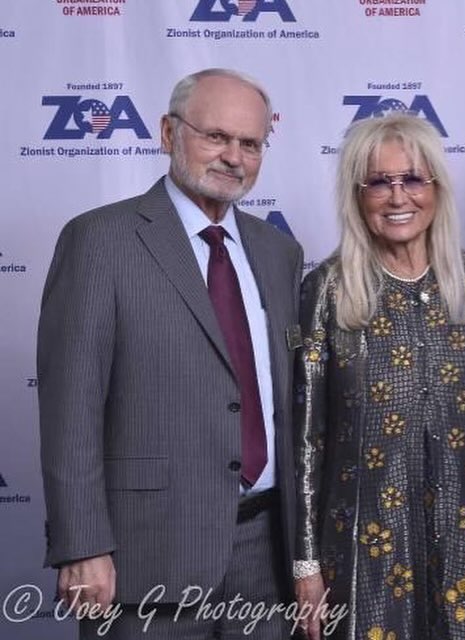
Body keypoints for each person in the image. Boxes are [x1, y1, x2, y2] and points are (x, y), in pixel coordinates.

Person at [37, 68, 303, 638]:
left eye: (250, 144)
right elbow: (70, 410)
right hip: (144, 553)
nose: (233, 156)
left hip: (267, 556)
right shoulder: (99, 241)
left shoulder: (279, 252)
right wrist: (82, 544)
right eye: (216, 136)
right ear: (167, 133)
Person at [292, 114, 465, 639]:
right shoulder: (327, 293)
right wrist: (305, 564)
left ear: (437, 189)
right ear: (357, 195)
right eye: (378, 181)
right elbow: (305, 438)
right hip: (363, 556)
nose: (398, 196)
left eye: (413, 179)